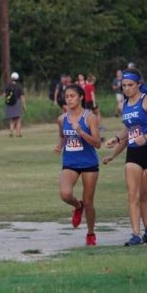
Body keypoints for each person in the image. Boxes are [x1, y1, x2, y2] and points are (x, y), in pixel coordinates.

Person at [103, 67, 147, 246]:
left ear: (138, 85)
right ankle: (137, 234)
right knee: (133, 195)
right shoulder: (125, 104)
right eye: (124, 85)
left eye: (130, 85)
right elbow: (130, 129)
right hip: (134, 152)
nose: (126, 89)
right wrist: (116, 141)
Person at [56, 84, 100, 246]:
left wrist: (81, 132)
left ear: (81, 97)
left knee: (89, 202)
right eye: (67, 96)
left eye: (72, 96)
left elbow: (97, 144)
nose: (69, 99)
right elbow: (62, 136)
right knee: (65, 194)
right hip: (70, 163)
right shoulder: (62, 119)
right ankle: (77, 205)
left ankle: (90, 233)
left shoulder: (90, 118)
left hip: (89, 163)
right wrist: (60, 145)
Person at [4, 72, 25, 137]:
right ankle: (18, 133)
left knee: (12, 118)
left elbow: (4, 95)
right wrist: (24, 105)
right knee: (18, 118)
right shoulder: (19, 86)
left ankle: (11, 130)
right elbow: (22, 97)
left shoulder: (8, 85)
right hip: (17, 103)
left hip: (9, 103)